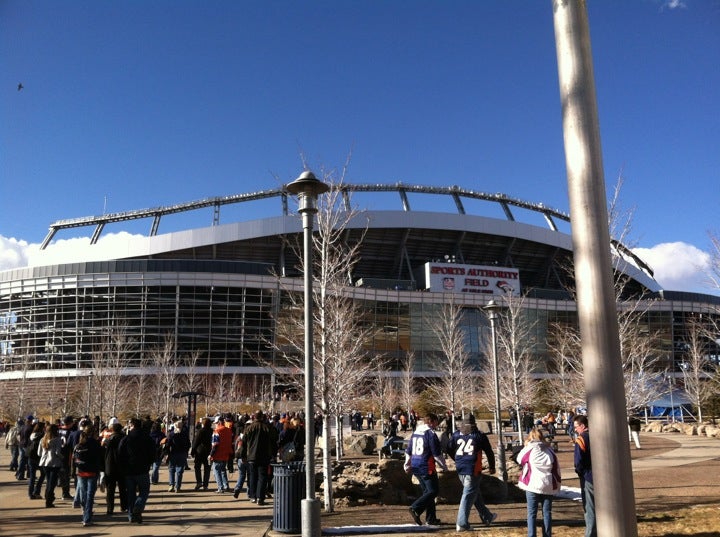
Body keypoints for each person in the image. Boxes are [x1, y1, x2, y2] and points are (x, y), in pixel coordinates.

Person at [448, 419, 498, 531]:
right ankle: (462, 523)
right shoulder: (479, 435)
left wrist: (456, 459)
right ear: (474, 424)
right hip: (473, 468)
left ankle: (487, 516)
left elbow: (449, 448)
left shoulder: (456, 434)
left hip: (460, 468)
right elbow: (489, 452)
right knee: (468, 495)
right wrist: (492, 466)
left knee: (474, 493)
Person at [516, 427, 562, 537]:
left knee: (532, 513)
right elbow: (556, 468)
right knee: (547, 513)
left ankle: (531, 535)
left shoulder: (529, 449)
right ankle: (547, 534)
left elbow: (519, 459)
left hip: (532, 484)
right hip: (547, 484)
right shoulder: (549, 450)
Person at [404, 412, 447, 526]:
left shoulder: (416, 433)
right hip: (426, 466)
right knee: (433, 491)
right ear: (431, 422)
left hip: (416, 465)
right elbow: (437, 454)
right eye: (436, 422)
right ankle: (415, 508)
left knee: (427, 493)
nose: (437, 424)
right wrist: (444, 466)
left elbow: (408, 451)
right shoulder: (431, 434)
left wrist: (407, 465)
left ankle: (431, 518)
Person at [118, 417, 155, 524]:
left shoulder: (126, 439)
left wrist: (123, 467)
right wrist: (149, 463)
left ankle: (131, 515)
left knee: (130, 493)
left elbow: (120, 454)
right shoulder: (147, 438)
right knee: (144, 491)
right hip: (142, 469)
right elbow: (152, 453)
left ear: (132, 425)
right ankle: (138, 508)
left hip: (129, 470)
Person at [241, 410, 275, 505]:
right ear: (262, 417)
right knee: (262, 477)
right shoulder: (267, 428)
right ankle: (260, 497)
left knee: (252, 476)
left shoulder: (248, 428)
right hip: (264, 456)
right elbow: (273, 442)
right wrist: (272, 454)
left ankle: (253, 496)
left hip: (251, 456)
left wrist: (242, 455)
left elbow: (243, 443)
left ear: (254, 417)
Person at [73, 424, 102, 527]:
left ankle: (85, 512)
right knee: (89, 496)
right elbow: (99, 457)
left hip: (81, 472)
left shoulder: (79, 443)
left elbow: (74, 459)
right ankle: (87, 517)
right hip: (92, 472)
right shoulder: (95, 443)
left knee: (84, 494)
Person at [573, 415, 596, 537]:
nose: (575, 429)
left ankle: (590, 534)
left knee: (589, 507)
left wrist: (580, 472)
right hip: (601, 475)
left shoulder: (581, 439)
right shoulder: (597, 435)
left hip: (588, 476)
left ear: (582, 426)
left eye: (576, 427)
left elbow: (578, 461)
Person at [102, 418, 127, 515]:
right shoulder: (125, 439)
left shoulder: (108, 440)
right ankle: (124, 506)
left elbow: (103, 452)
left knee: (110, 490)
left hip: (110, 466)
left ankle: (110, 508)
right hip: (122, 466)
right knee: (123, 488)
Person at [38, 423, 64, 508]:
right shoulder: (57, 440)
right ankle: (49, 500)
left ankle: (48, 497)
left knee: (48, 481)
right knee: (52, 483)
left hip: (44, 463)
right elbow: (57, 452)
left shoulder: (43, 439)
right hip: (54, 462)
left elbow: (39, 453)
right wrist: (63, 457)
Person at [209, 415, 233, 493]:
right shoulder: (229, 430)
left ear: (219, 422)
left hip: (218, 454)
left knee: (217, 472)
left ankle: (220, 487)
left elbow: (215, 444)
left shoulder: (217, 431)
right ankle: (226, 486)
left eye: (216, 423)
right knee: (223, 471)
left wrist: (211, 454)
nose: (215, 424)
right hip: (226, 454)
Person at [166, 420, 191, 492]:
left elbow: (168, 445)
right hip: (182, 454)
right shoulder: (184, 434)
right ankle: (178, 486)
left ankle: (171, 485)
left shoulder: (171, 434)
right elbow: (188, 444)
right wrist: (186, 451)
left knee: (171, 469)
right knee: (179, 471)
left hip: (173, 453)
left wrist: (167, 453)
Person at [191, 418, 213, 490]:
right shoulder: (212, 431)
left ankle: (199, 482)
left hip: (199, 452)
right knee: (207, 469)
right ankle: (205, 484)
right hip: (209, 452)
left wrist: (193, 451)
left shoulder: (200, 431)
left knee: (197, 467)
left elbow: (196, 442)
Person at [26, 420, 46, 500]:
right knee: (43, 474)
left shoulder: (32, 435)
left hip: (30, 457)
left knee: (32, 476)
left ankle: (30, 494)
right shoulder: (42, 435)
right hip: (38, 457)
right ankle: (36, 491)